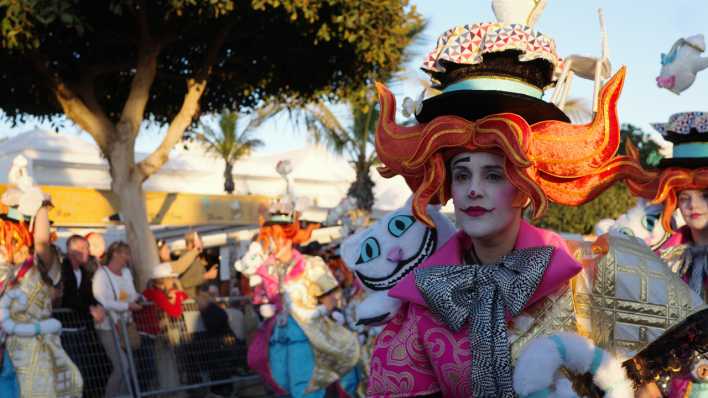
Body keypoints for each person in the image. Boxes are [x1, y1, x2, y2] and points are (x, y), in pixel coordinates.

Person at [364, 2, 660, 397]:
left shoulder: (595, 276)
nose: (473, 189)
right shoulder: (420, 301)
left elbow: (645, 389)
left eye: (494, 174)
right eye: (461, 173)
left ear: (525, 185)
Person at [625, 112, 708, 396]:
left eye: (705, 195)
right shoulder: (665, 259)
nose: (693, 206)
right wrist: (644, 384)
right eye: (683, 196)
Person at [0, 170, 83, 397]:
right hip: (9, 347)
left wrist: (41, 205)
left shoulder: (44, 263)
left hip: (34, 346)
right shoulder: (5, 267)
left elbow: (42, 243)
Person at [92, 241, 143, 398]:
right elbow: (102, 300)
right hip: (108, 326)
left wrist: (139, 298)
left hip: (125, 323)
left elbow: (131, 293)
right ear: (115, 254)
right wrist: (127, 305)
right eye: (125, 253)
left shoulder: (126, 273)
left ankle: (123, 395)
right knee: (122, 365)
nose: (128, 257)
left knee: (128, 366)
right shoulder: (101, 274)